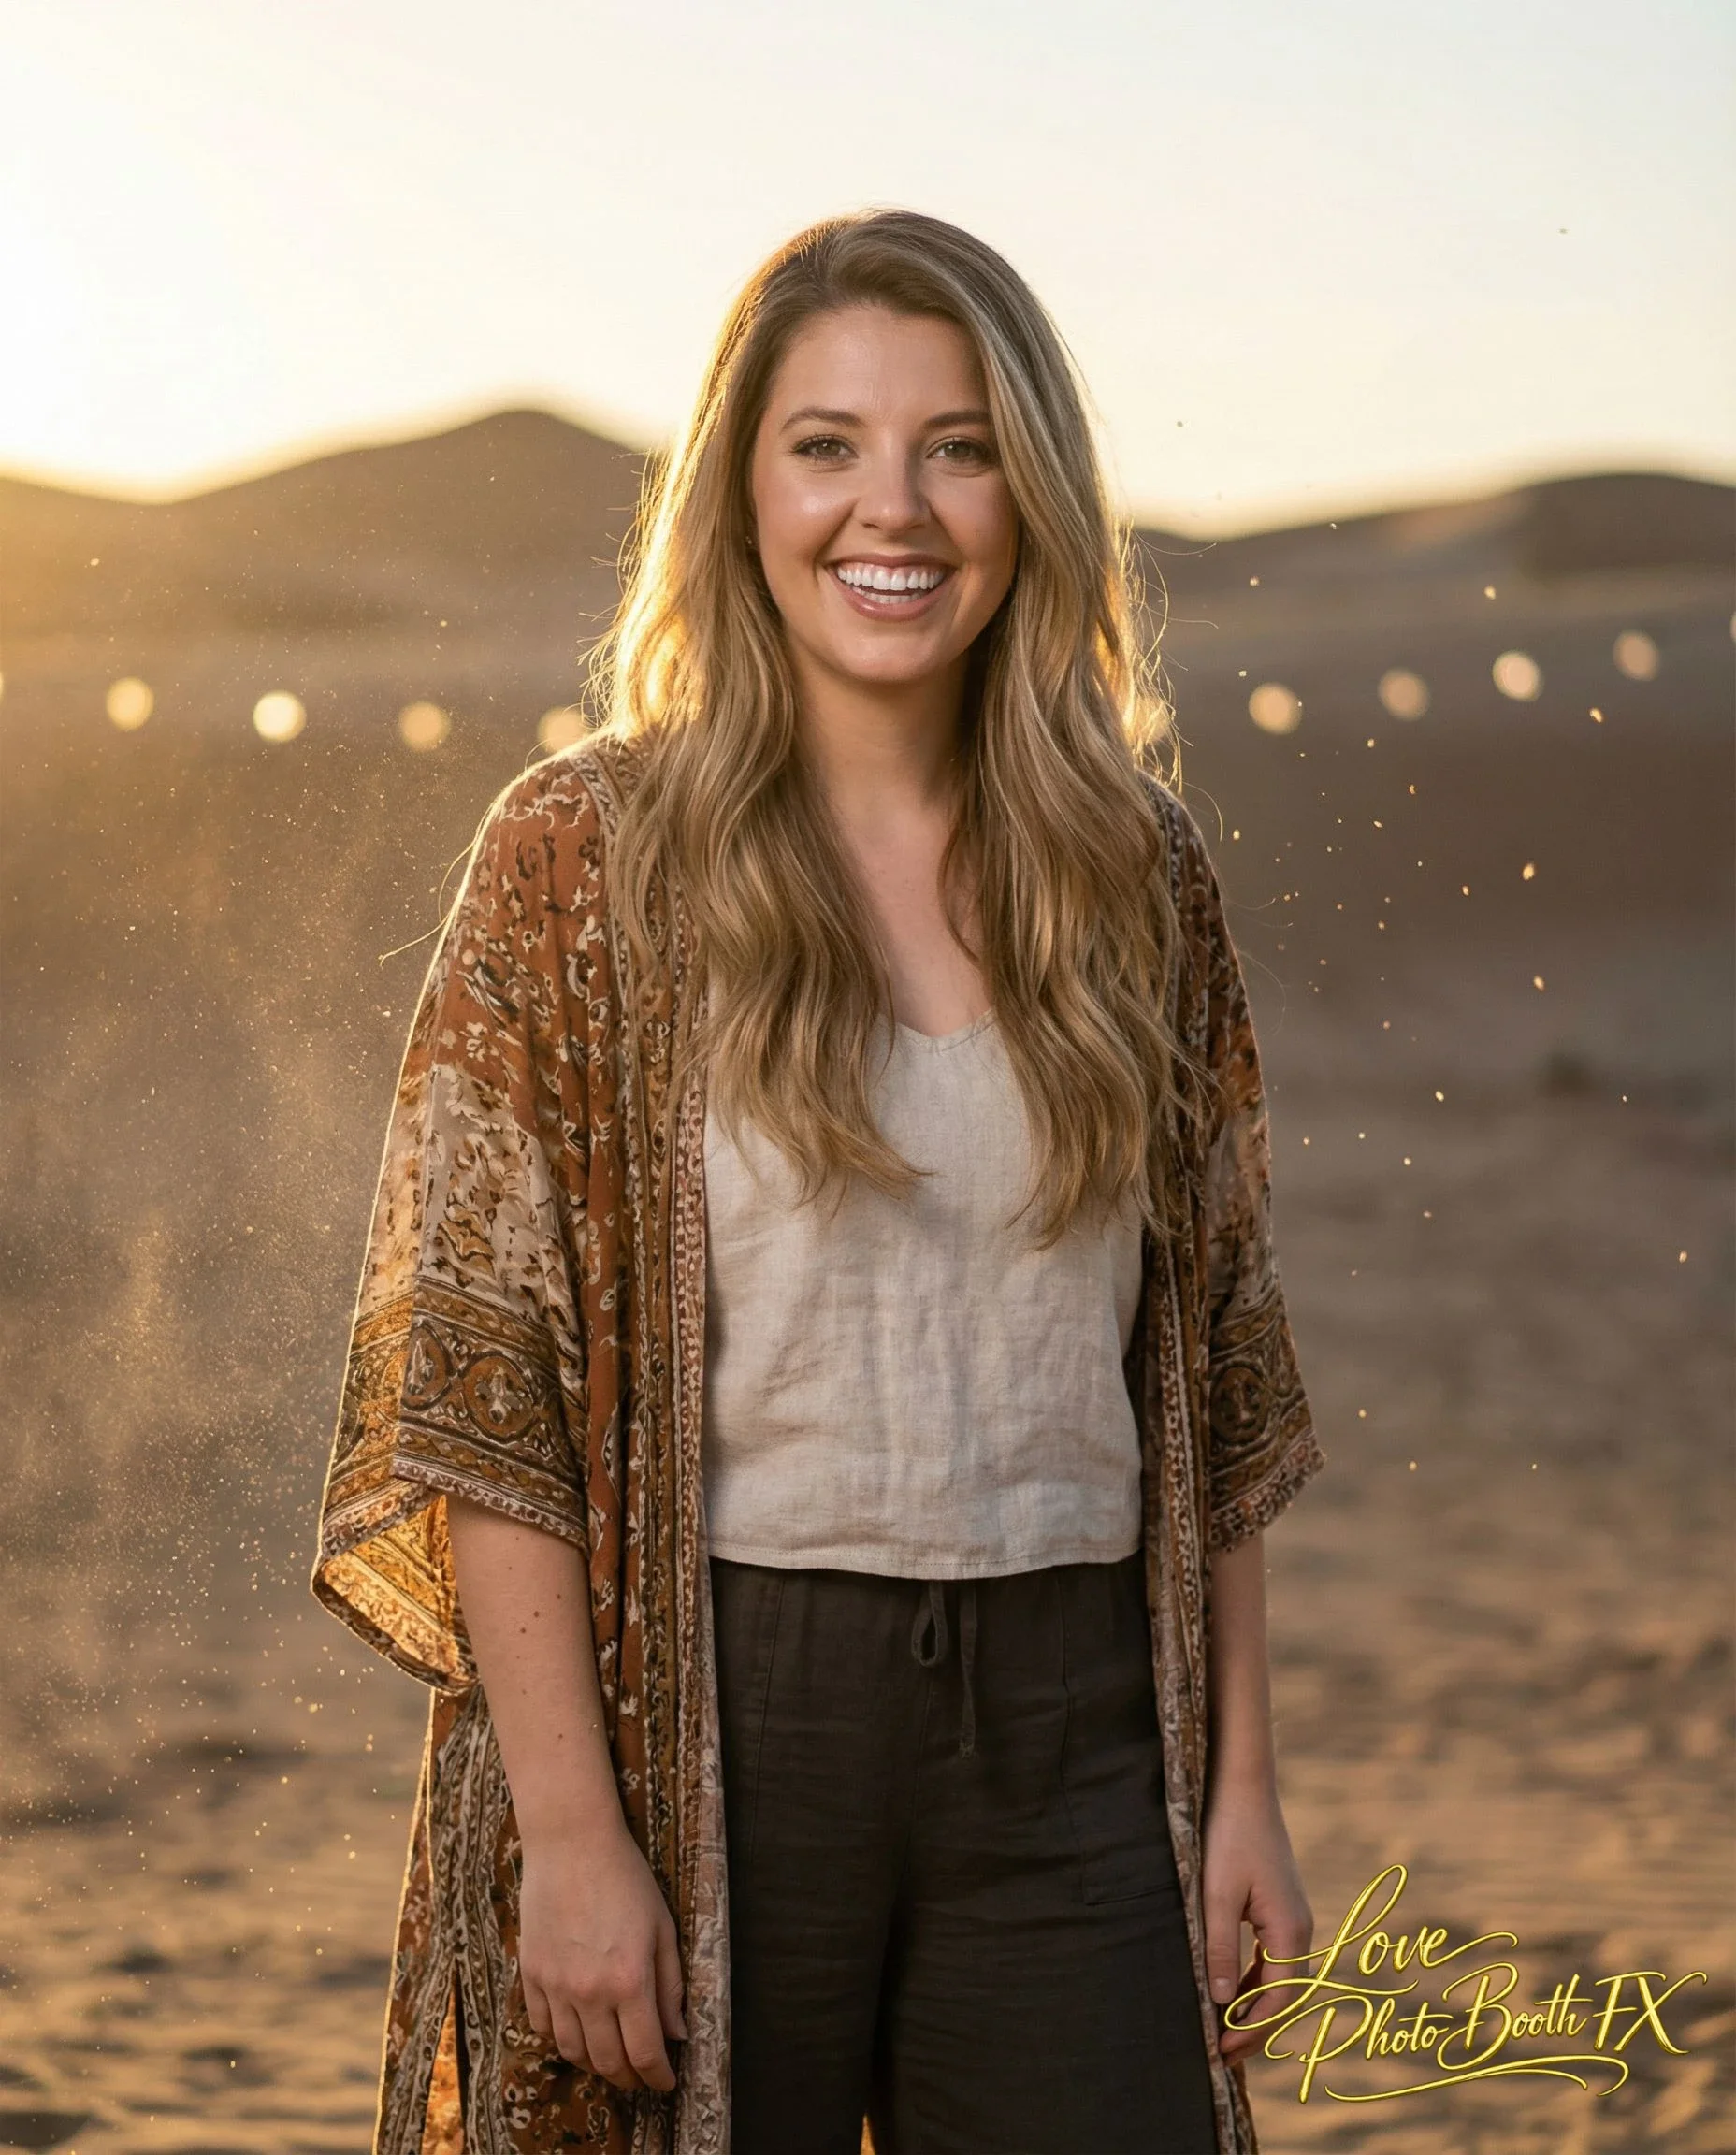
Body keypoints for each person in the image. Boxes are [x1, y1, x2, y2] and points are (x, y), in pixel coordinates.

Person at [314, 208, 1325, 2155]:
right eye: (827, 443)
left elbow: (1207, 1365)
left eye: (958, 444)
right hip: (720, 1709)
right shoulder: (583, 859)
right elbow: (480, 1379)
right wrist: (576, 1834)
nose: (901, 507)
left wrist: (1244, 1789)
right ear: (740, 490)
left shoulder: (1137, 874)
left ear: (1029, 489)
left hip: (1073, 1728)